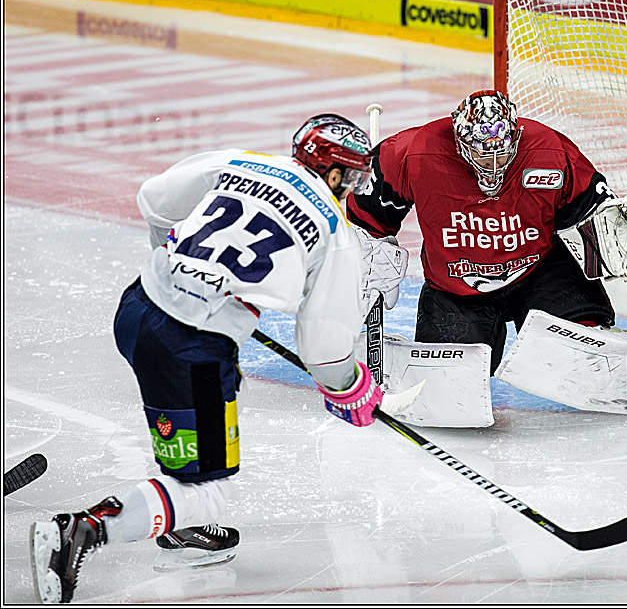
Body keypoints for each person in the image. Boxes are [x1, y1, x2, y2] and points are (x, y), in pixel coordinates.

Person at [29, 113, 405, 604]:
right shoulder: (334, 231)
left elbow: (155, 199)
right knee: (208, 489)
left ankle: (179, 519)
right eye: (351, 175)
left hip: (139, 306)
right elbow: (324, 347)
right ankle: (79, 531)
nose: (352, 186)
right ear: (334, 173)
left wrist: (183, 262)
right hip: (190, 348)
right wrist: (348, 387)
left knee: (220, 394)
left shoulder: (243, 162)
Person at [346, 89, 627, 375]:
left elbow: (589, 210)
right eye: (482, 152)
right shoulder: (412, 152)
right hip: (457, 286)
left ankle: (590, 337)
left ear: (515, 135)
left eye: (502, 150)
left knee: (581, 355)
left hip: (540, 272)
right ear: (460, 140)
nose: (493, 162)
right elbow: (367, 216)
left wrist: (618, 224)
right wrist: (369, 255)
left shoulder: (550, 150)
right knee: (450, 377)